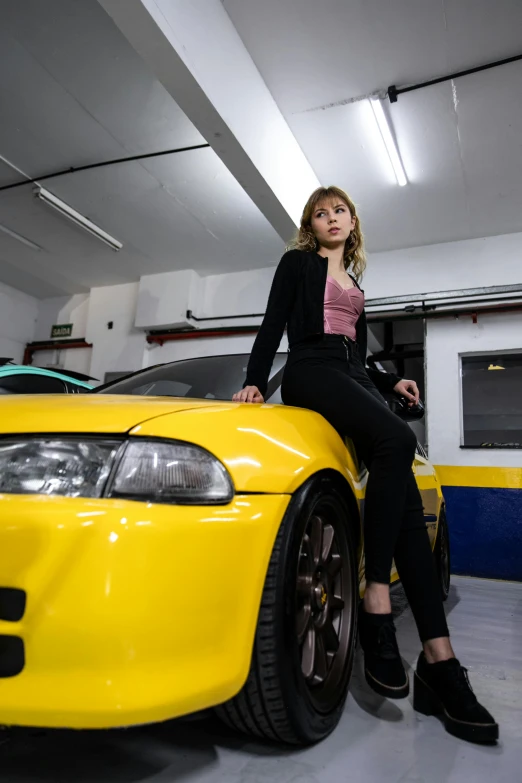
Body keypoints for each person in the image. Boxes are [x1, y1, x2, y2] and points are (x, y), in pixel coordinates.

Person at [232, 186, 498, 744]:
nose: (331, 218)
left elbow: (356, 356)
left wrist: (388, 380)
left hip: (350, 376)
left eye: (340, 211)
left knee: (404, 506)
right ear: (311, 224)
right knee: (398, 441)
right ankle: (376, 594)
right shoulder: (298, 264)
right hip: (310, 369)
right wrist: (255, 380)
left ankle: (439, 663)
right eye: (320, 213)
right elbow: (273, 324)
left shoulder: (355, 284)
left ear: (353, 223)